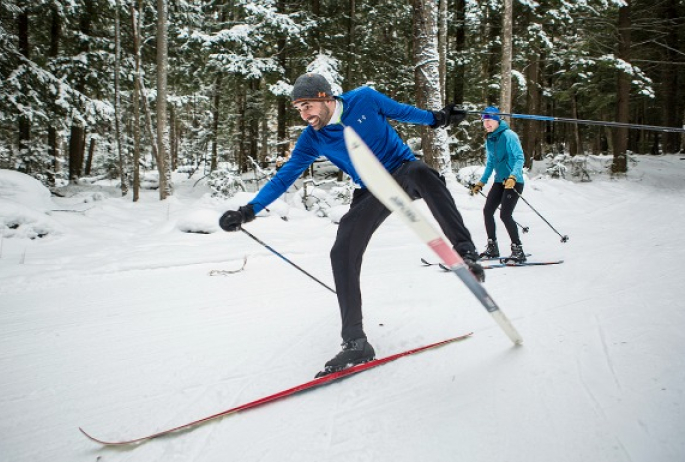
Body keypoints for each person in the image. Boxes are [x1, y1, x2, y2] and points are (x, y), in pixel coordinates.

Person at [219, 72, 483, 376]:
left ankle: (466, 252)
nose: (304, 115)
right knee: (341, 249)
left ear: (325, 98)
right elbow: (284, 176)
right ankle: (355, 343)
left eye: (307, 106)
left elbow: (404, 112)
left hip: (401, 171)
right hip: (370, 190)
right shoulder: (312, 138)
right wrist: (248, 211)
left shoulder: (364, 100)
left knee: (422, 173)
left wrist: (438, 119)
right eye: (299, 109)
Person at [470, 106, 526, 263]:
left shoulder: (509, 135)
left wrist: (514, 176)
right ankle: (492, 248)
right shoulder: (490, 138)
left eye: (489, 120)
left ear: (496, 120)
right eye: (484, 121)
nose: (486, 124)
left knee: (505, 214)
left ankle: (518, 250)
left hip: (514, 182)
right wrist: (482, 182)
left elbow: (519, 158)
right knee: (487, 211)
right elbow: (490, 163)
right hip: (499, 182)